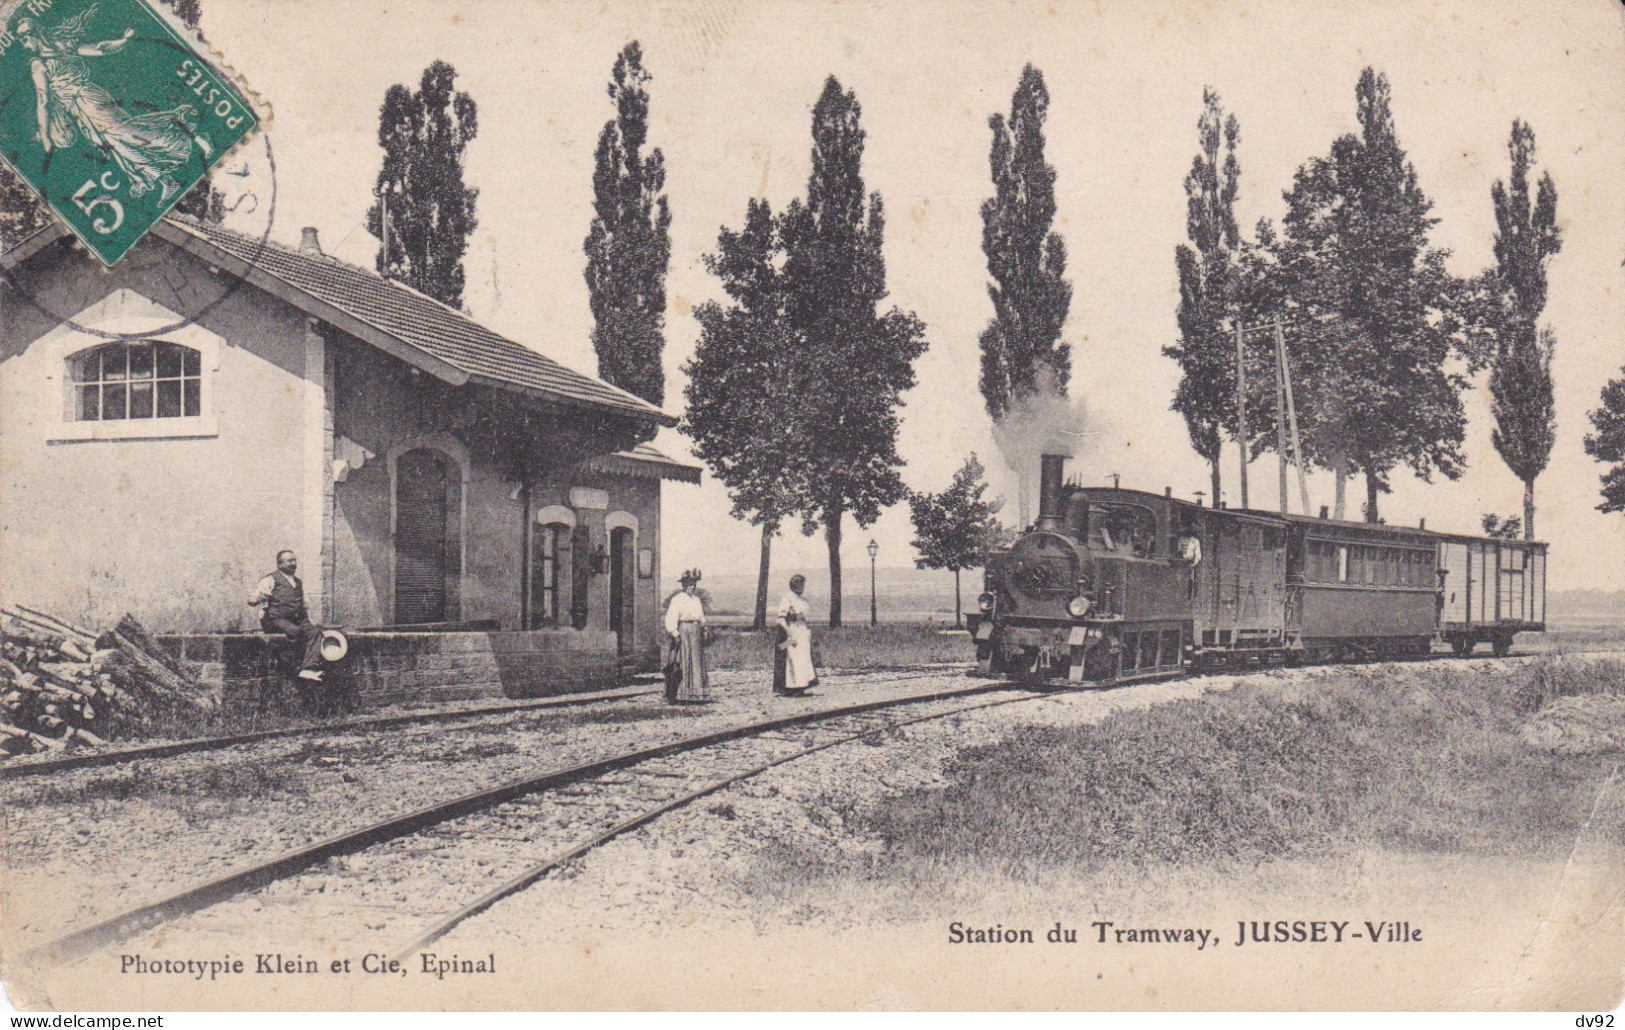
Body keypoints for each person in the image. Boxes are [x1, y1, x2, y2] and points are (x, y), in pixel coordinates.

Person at [20, 12, 213, 203]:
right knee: (116, 144)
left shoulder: (42, 62)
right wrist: (123, 40)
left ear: (36, 34)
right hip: (80, 112)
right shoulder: (57, 50)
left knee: (127, 133)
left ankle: (192, 132)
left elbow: (44, 101)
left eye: (25, 38)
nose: (25, 44)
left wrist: (123, 41)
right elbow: (99, 49)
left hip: (89, 100)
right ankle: (165, 180)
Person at [248, 550, 325, 682]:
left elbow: (304, 606)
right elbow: (251, 599)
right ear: (280, 564)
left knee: (315, 632)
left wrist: (310, 621)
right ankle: (293, 667)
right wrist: (258, 598)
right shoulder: (271, 579)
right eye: (289, 561)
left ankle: (308, 669)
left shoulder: (298, 583)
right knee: (296, 632)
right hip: (276, 619)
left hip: (298, 619)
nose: (293, 563)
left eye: (294, 560)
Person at [663, 569, 709, 704]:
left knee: (696, 661)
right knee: (683, 661)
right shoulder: (677, 600)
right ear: (683, 586)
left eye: (693, 584)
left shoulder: (697, 600)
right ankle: (681, 694)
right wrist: (675, 633)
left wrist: (704, 628)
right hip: (683, 631)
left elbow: (701, 617)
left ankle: (696, 694)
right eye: (689, 584)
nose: (691, 587)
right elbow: (670, 618)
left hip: (695, 632)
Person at [774, 574, 818, 696]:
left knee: (803, 659)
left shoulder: (803, 600)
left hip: (802, 632)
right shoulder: (787, 599)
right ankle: (791, 688)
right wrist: (790, 633)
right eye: (801, 584)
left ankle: (801, 686)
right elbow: (781, 619)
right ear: (795, 585)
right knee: (792, 660)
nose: (803, 587)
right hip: (792, 632)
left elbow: (804, 617)